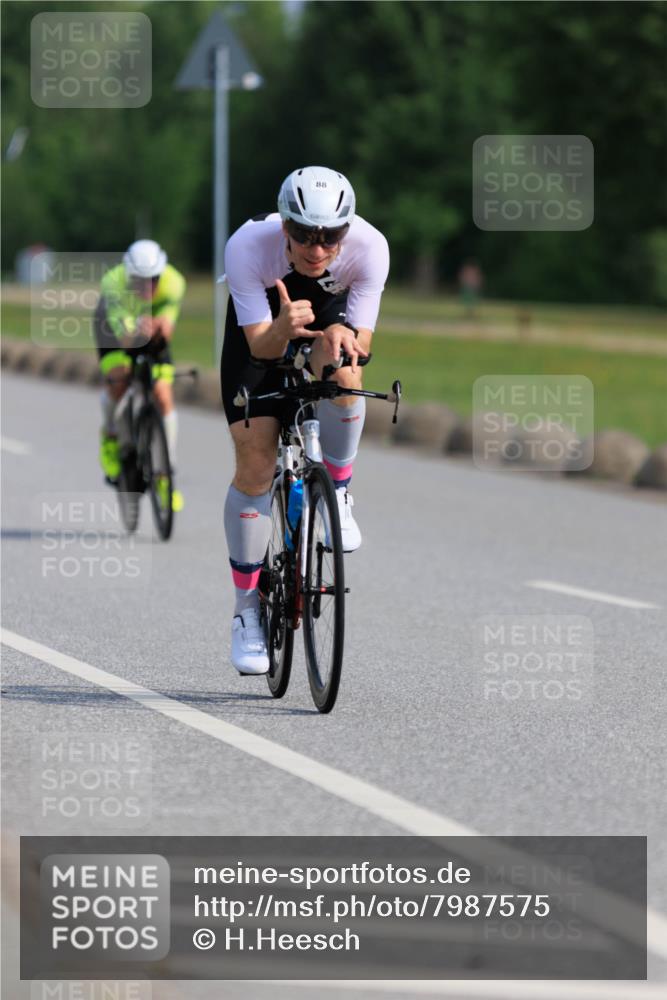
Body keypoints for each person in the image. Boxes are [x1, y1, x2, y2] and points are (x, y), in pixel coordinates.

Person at [220, 166, 390, 675]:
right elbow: (258, 346)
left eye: (330, 236)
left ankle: (337, 489)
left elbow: (363, 340)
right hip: (263, 329)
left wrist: (337, 338)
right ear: (285, 227)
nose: (317, 249)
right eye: (303, 235)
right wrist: (283, 327)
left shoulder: (371, 247)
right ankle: (246, 611)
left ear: (347, 230)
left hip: (327, 318)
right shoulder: (249, 246)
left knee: (345, 375)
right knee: (255, 464)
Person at [94, 239, 186, 511]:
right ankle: (111, 437)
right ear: (128, 275)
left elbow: (167, 327)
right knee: (118, 379)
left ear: (161, 274)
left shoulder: (174, 282)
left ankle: (165, 472)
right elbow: (124, 337)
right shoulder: (113, 283)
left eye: (152, 280)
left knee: (163, 394)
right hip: (114, 329)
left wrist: (159, 328)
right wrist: (136, 330)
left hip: (151, 328)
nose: (146, 287)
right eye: (139, 280)